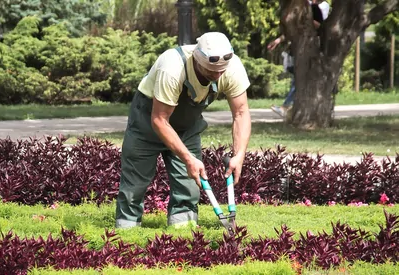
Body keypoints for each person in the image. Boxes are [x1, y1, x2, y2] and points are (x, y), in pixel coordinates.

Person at [115, 32, 251, 229]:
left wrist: (239, 155)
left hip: (187, 127)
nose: (217, 75)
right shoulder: (172, 67)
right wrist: (188, 158)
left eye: (221, 71)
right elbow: (159, 120)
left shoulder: (232, 68)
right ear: (197, 60)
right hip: (147, 123)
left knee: (189, 186)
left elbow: (241, 113)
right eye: (211, 71)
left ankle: (183, 234)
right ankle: (126, 235)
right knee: (134, 184)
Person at [268, 0, 329, 118]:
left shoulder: (317, 9)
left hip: (312, 50)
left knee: (299, 79)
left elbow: (319, 26)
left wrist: (308, 20)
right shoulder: (306, 8)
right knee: (298, 79)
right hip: (299, 51)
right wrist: (278, 40)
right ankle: (292, 109)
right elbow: (294, 31)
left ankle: (287, 106)